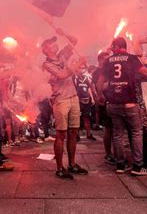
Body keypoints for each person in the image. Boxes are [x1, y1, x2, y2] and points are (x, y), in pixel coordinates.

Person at [96, 37, 147, 175]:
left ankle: (120, 165)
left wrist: (100, 95)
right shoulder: (132, 59)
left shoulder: (108, 61)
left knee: (117, 134)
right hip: (129, 103)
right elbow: (146, 72)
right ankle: (138, 166)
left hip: (113, 103)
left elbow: (100, 82)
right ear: (125, 47)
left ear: (115, 46)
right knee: (136, 133)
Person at [41, 28, 88, 180]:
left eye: (55, 43)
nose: (55, 45)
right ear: (45, 50)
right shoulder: (46, 64)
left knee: (74, 132)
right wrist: (78, 64)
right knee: (61, 134)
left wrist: (64, 33)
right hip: (60, 99)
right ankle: (60, 167)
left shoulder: (62, 55)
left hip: (73, 96)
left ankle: (72, 164)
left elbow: (73, 41)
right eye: (51, 44)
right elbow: (62, 75)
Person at [91, 51, 115, 164]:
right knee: (108, 128)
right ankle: (108, 153)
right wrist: (112, 83)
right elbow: (99, 87)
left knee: (116, 129)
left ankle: (117, 153)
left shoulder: (110, 70)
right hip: (104, 102)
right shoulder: (96, 73)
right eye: (106, 59)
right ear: (100, 60)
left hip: (114, 101)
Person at [73, 64, 96, 141]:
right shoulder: (75, 78)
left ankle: (89, 134)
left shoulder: (87, 78)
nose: (82, 69)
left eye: (84, 68)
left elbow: (89, 88)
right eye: (80, 68)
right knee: (77, 118)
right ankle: (76, 135)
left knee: (87, 118)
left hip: (87, 101)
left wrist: (92, 98)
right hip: (78, 101)